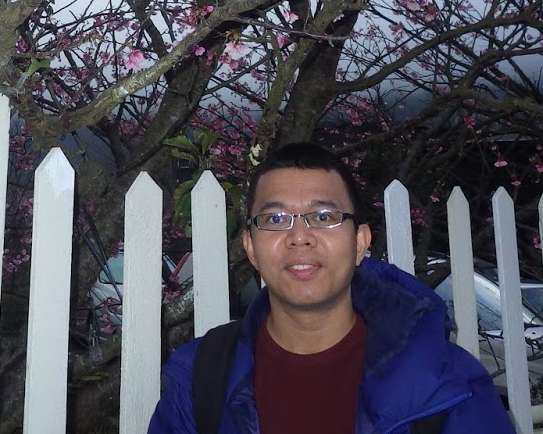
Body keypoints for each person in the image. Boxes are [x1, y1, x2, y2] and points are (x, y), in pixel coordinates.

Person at [147, 141, 514, 434]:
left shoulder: (448, 383)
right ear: (250, 248)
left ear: (359, 243)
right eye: (275, 219)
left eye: (324, 217)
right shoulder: (201, 374)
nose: (299, 237)